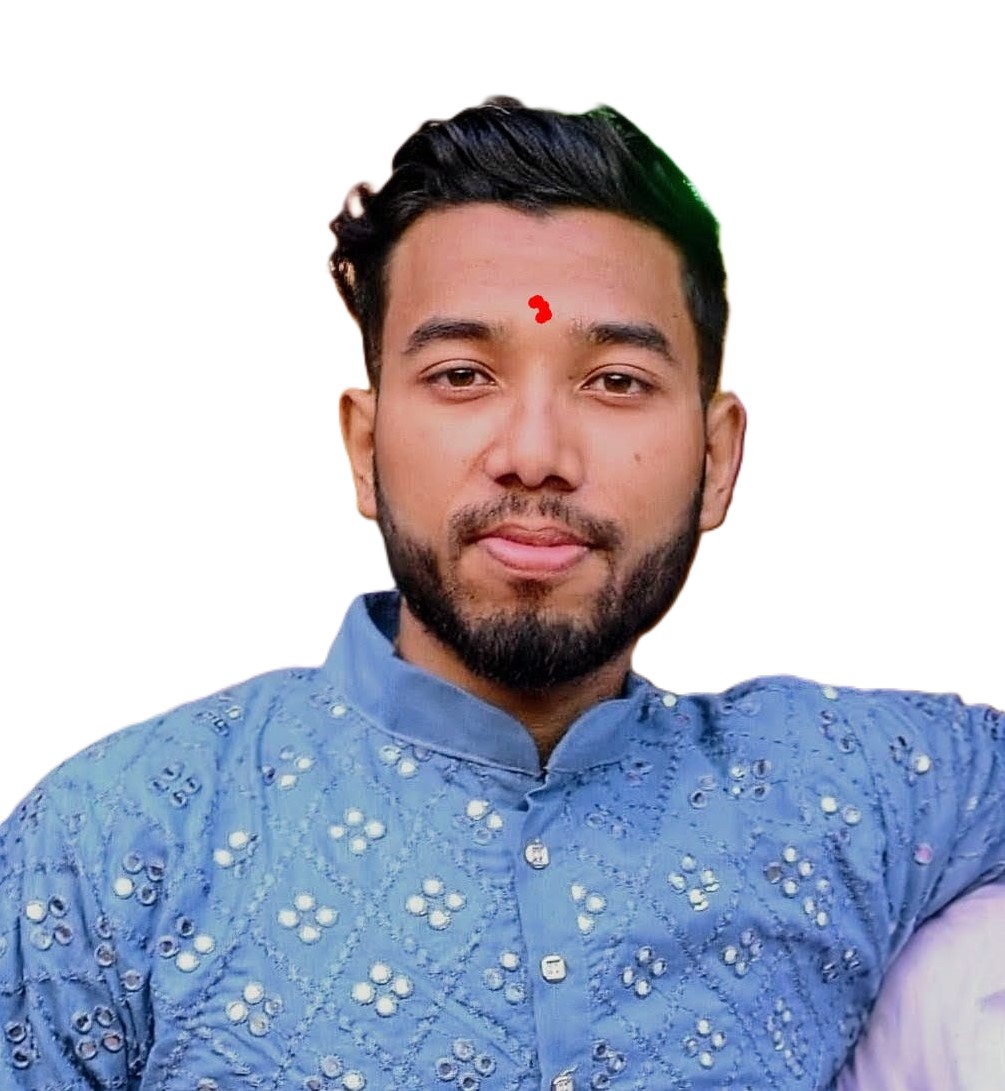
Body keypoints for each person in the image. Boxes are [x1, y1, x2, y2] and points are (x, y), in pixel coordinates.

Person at [0, 97, 1001, 1091]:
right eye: (462, 374)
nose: (533, 453)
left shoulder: (851, 794)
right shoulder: (115, 838)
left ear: (718, 458)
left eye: (615, 381)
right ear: (364, 445)